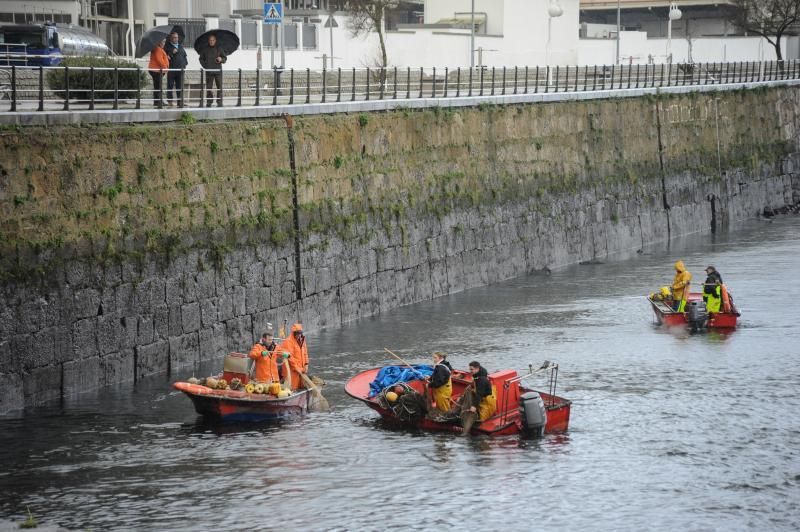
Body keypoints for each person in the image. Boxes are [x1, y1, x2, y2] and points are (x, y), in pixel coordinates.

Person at [277, 322, 309, 390]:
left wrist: (306, 364)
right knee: (292, 388)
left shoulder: (302, 340)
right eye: (297, 333)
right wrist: (297, 368)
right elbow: (289, 358)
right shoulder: (288, 342)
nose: (299, 335)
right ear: (294, 333)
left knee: (301, 386)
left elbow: (305, 353)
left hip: (301, 370)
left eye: (300, 333)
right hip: (291, 371)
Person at [198, 34, 227, 107]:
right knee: (209, 87)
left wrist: (221, 59)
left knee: (219, 87)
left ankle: (219, 101)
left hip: (218, 71)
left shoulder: (219, 48)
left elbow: (225, 58)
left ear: (215, 41)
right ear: (208, 41)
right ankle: (209, 101)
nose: (211, 41)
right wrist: (205, 66)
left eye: (213, 40)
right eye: (210, 40)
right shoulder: (205, 49)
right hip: (209, 71)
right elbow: (201, 59)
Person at [164, 31, 187, 107]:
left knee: (179, 86)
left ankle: (180, 102)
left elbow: (184, 56)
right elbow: (165, 57)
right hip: (171, 69)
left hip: (180, 70)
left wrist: (184, 65)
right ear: (171, 38)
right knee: (170, 85)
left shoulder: (180, 46)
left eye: (176, 37)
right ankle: (170, 101)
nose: (175, 39)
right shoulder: (167, 46)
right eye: (174, 37)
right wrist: (171, 52)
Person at [147, 38, 169, 107]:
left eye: (165, 42)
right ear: (159, 42)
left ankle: (157, 101)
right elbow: (159, 60)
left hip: (156, 70)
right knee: (158, 86)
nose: (164, 43)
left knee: (157, 86)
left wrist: (166, 58)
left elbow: (160, 58)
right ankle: (158, 101)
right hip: (156, 70)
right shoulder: (158, 49)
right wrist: (165, 68)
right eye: (163, 42)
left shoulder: (158, 49)